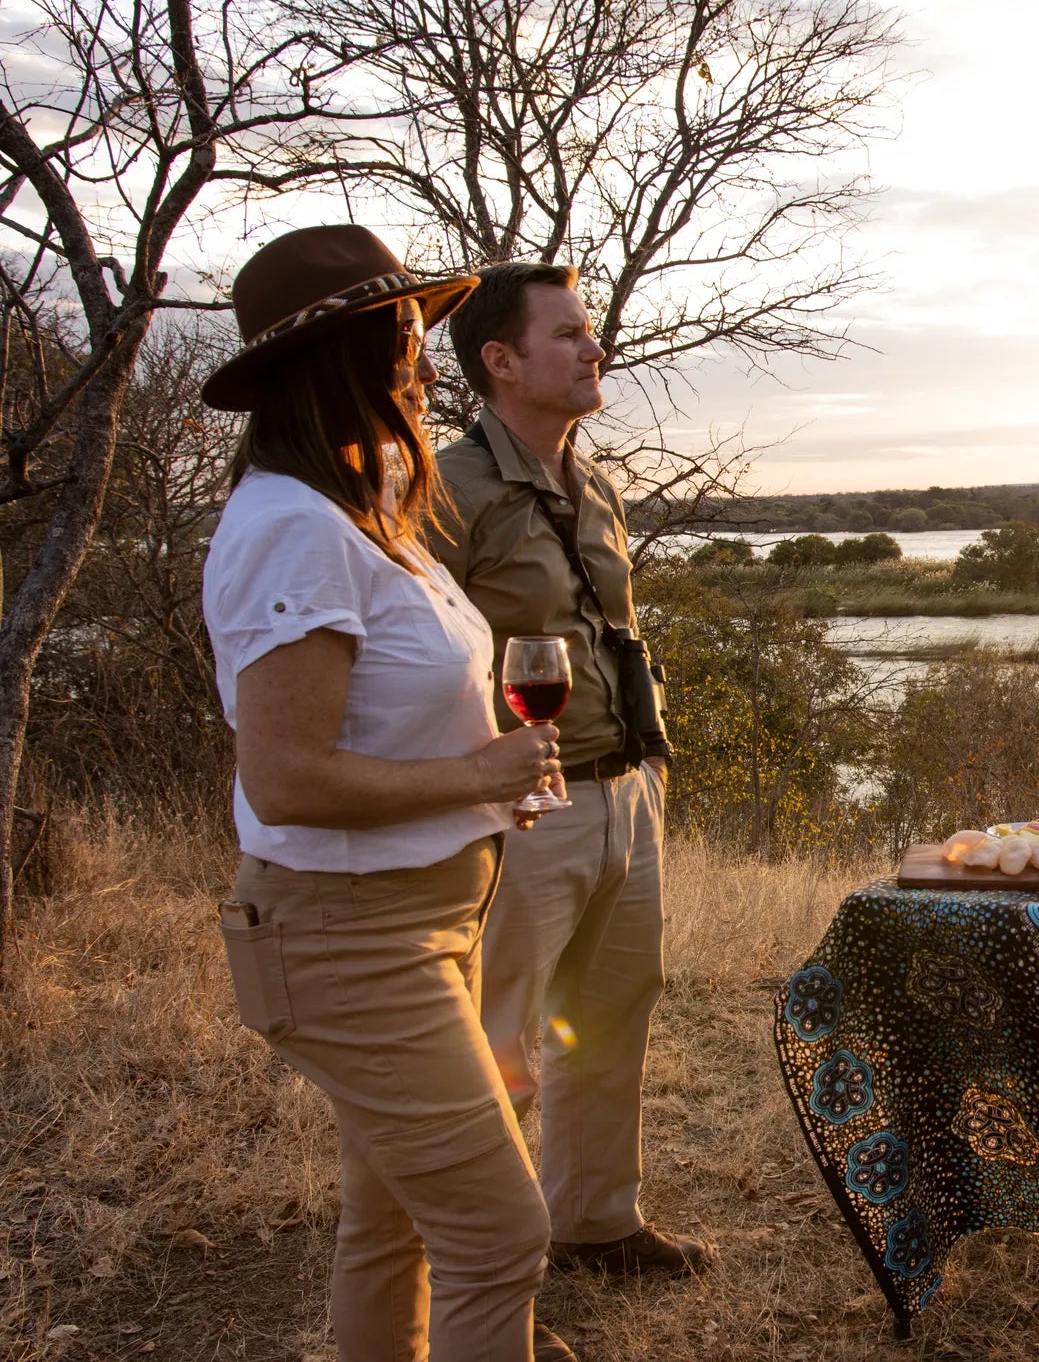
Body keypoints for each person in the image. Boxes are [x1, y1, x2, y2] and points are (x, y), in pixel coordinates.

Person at [200, 225, 580, 1361]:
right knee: (500, 1235)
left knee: (393, 1220)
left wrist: (484, 783)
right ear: (342, 359)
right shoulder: (290, 531)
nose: (421, 359)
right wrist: (476, 772)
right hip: (350, 942)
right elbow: (285, 776)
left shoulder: (360, 513)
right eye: (402, 335)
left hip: (425, 916)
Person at [432, 262, 708, 1281]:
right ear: (499, 363)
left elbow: (614, 637)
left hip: (624, 789)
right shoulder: (446, 490)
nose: (596, 348)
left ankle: (594, 1222)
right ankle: (482, 1270)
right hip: (524, 809)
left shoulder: (591, 481)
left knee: (611, 1009)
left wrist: (653, 770)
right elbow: (414, 657)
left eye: (590, 332)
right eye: (569, 335)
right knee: (497, 1042)